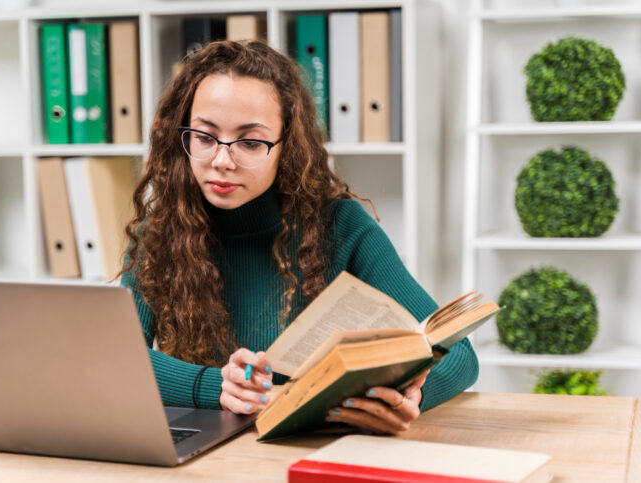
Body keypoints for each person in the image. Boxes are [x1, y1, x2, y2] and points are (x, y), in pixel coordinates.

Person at [119, 40, 478, 436]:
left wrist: (413, 398)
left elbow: (457, 352)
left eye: (250, 142)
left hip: (318, 450)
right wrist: (217, 387)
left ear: (287, 146)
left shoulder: (340, 225)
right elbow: (116, 352)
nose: (222, 161)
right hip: (209, 454)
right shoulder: (160, 230)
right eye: (204, 138)